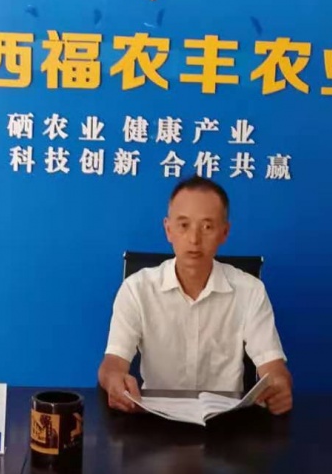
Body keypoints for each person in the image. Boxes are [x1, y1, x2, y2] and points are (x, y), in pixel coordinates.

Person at [98, 175, 293, 415]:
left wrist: (279, 385)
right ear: (168, 230)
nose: (194, 239)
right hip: (156, 421)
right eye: (183, 225)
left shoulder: (250, 290)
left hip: (226, 423)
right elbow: (112, 363)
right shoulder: (136, 289)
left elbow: (273, 366)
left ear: (224, 232)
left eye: (207, 227)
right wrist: (114, 380)